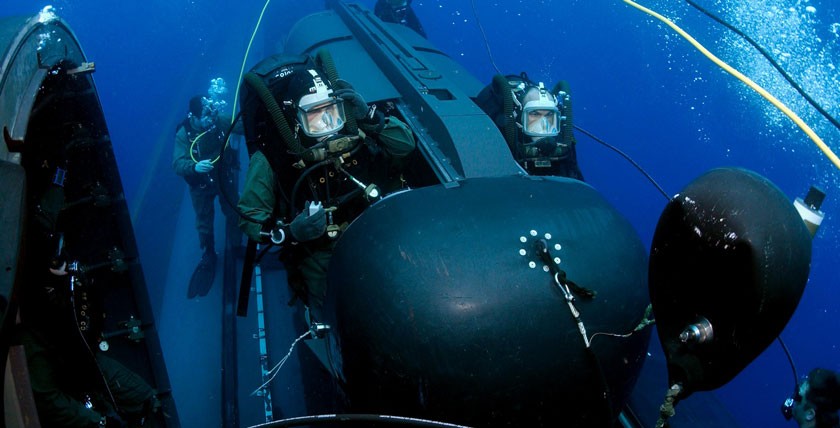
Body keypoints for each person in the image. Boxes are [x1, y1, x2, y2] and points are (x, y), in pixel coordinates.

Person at [237, 54, 416, 318]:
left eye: (332, 111)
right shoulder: (272, 157)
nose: (329, 125)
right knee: (331, 307)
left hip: (372, 229)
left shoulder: (354, 128)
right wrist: (291, 232)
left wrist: (368, 116)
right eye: (316, 115)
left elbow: (405, 145)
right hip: (318, 251)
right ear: (296, 118)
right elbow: (250, 217)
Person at [172, 78, 243, 298]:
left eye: (212, 115)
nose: (210, 120)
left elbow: (240, 125)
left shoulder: (217, 120)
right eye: (205, 117)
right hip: (201, 184)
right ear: (193, 117)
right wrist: (194, 167)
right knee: (204, 220)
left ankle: (236, 245)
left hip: (222, 176)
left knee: (234, 211)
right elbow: (177, 164)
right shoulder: (184, 133)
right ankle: (209, 253)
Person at [475, 72, 584, 180]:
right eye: (535, 114)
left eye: (549, 115)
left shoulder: (563, 142)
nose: (543, 125)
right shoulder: (506, 134)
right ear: (520, 117)